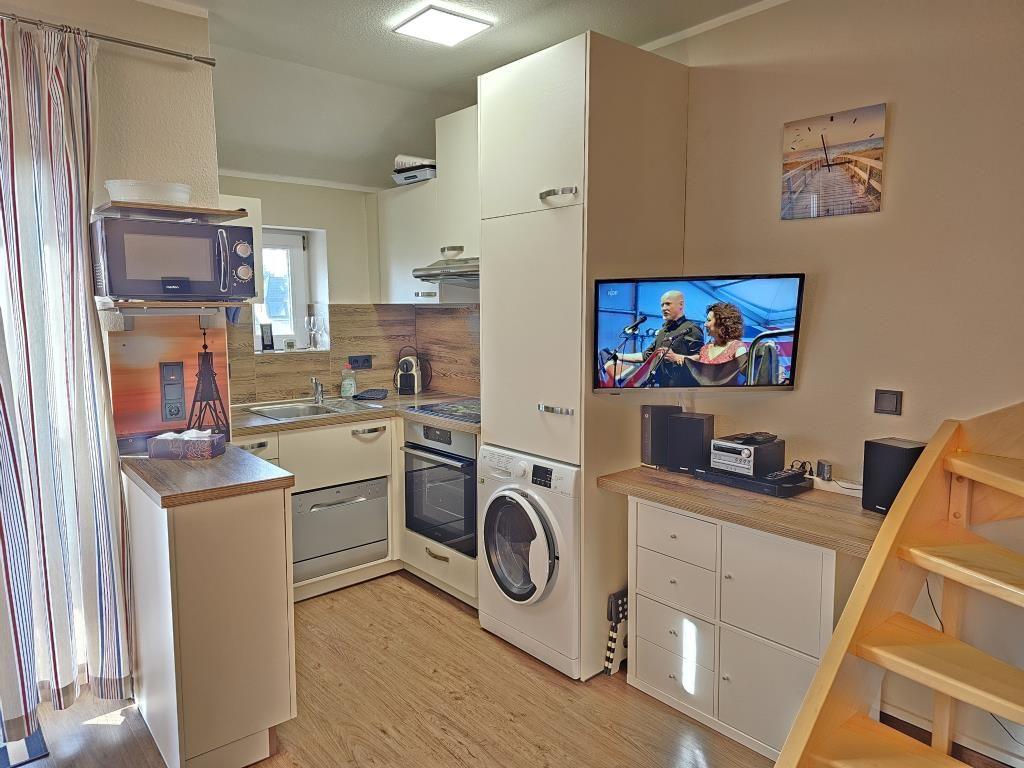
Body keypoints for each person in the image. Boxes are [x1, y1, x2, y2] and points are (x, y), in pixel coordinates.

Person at [605, 290, 703, 387]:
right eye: (662, 305)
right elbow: (645, 356)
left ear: (681, 304)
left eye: (668, 304)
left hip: (683, 390)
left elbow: (701, 359)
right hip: (661, 388)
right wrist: (617, 355)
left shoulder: (692, 329)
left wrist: (677, 357)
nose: (664, 308)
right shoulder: (663, 331)